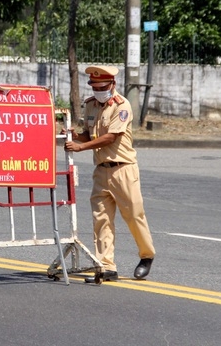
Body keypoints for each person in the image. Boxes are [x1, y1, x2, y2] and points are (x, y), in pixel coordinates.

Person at [64, 65, 155, 283]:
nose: (98, 91)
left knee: (133, 215)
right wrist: (74, 136)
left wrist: (79, 147)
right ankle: (106, 266)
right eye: (94, 87)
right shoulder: (91, 105)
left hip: (123, 169)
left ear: (112, 85)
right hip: (101, 170)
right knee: (101, 220)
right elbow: (89, 134)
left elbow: (110, 138)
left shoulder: (121, 106)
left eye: (102, 87)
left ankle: (146, 255)